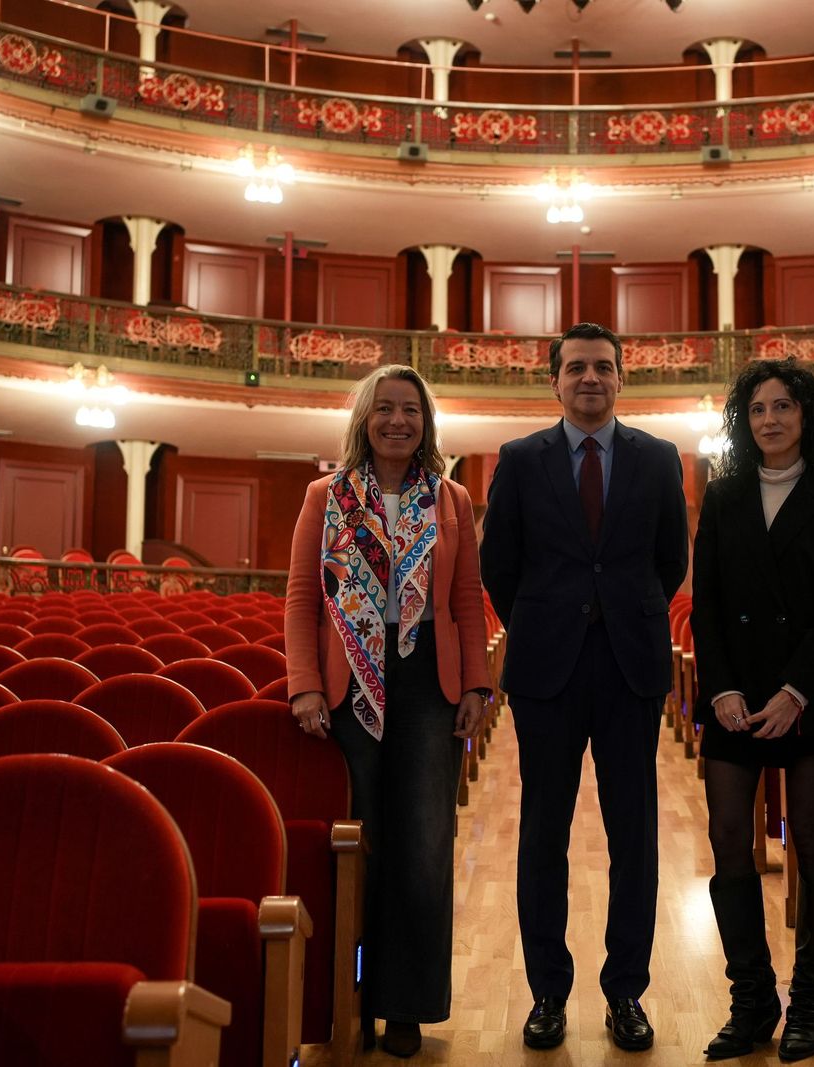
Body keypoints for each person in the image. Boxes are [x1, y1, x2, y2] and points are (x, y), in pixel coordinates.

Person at [480, 322, 690, 1052]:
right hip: (548, 670)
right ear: (555, 381)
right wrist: (542, 623)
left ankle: (626, 990)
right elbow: (497, 565)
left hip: (630, 667)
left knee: (635, 836)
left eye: (604, 366)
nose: (590, 378)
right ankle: (547, 992)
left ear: (622, 378)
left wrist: (620, 614)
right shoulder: (518, 459)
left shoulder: (660, 459)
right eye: (577, 367)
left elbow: (671, 561)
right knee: (544, 833)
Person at [285, 364, 491, 1058]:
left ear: (426, 422)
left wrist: (476, 687)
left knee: (424, 845)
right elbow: (300, 599)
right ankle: (352, 999)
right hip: (349, 682)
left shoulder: (452, 499)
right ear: (364, 420)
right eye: (385, 410)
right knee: (358, 845)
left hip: (429, 681)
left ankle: (405, 1003)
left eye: (411, 410)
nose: (398, 421)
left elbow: (467, 599)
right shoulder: (326, 496)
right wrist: (305, 682)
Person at [688, 358, 814, 1062]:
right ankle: (752, 997)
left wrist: (794, 693)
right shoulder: (723, 495)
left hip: (807, 697)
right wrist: (723, 688)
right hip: (734, 697)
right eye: (757, 409)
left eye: (783, 407)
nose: (770, 419)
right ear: (744, 420)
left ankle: (809, 999)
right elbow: (706, 605)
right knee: (729, 835)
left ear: (806, 416)